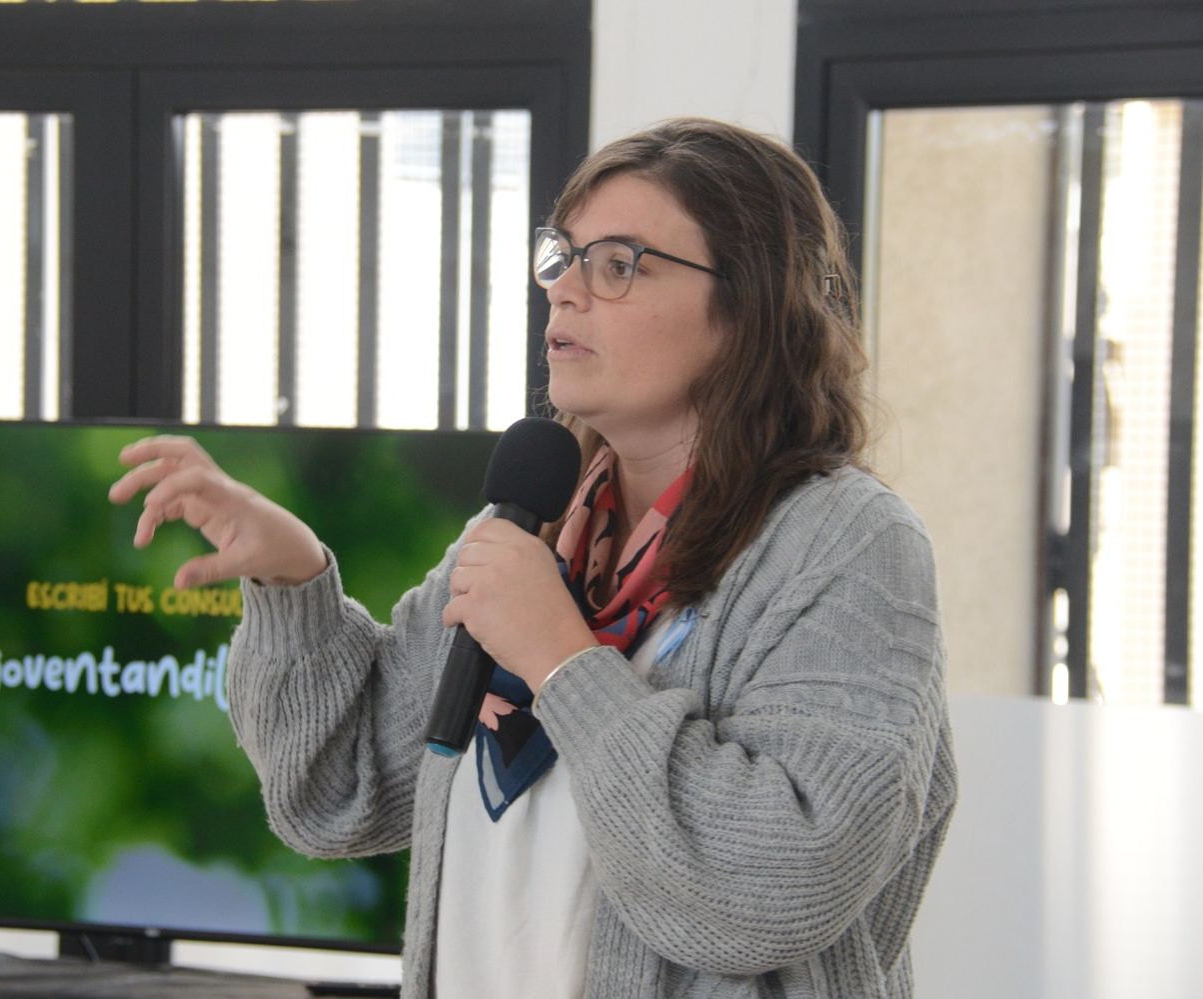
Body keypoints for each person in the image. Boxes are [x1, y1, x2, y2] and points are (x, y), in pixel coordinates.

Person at [108, 117, 957, 999]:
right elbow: (338, 793)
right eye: (564, 255)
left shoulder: (850, 546)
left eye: (618, 263)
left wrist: (563, 661)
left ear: (749, 305)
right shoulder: (538, 524)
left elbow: (777, 890)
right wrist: (292, 579)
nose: (564, 292)